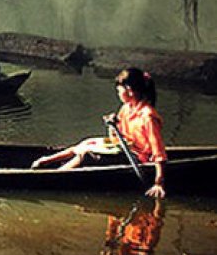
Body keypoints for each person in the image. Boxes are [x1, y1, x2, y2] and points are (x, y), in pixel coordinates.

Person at [31, 68, 167, 198]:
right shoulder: (127, 108)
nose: (118, 93)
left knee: (86, 155)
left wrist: (158, 182)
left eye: (119, 90)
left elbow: (159, 151)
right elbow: (115, 136)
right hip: (123, 147)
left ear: (129, 90)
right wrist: (112, 125)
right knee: (86, 143)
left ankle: (54, 175)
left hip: (137, 157)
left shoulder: (147, 116)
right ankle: (45, 160)